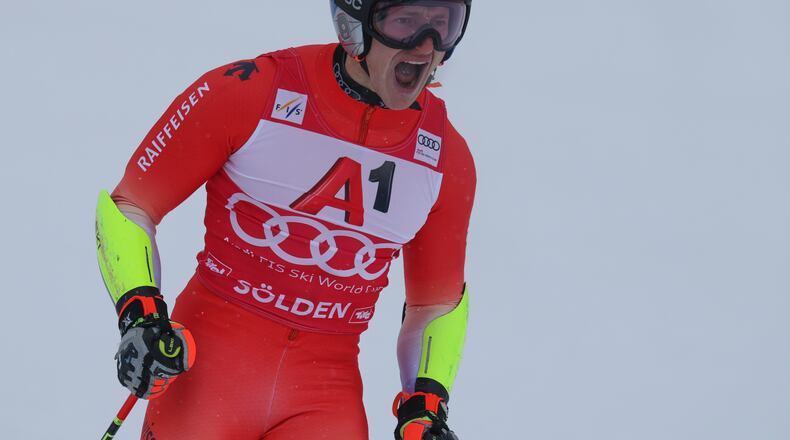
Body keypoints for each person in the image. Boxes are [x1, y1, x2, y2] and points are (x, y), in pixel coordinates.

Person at [95, 1, 475, 439]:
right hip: (208, 373)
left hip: (323, 398)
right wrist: (140, 313)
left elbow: (436, 303)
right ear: (355, 24)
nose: (425, 46)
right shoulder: (251, 91)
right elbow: (132, 204)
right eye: (405, 22)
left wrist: (426, 403)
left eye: (443, 25)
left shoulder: (446, 158)